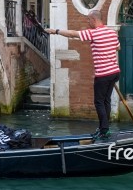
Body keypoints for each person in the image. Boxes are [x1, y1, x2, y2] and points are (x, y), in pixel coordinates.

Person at [45, 10, 120, 140]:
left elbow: (73, 34)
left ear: (94, 20)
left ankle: (104, 130)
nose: (87, 22)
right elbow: (117, 48)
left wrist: (55, 31)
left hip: (103, 74)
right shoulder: (112, 33)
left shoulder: (94, 33)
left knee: (99, 102)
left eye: (88, 20)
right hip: (114, 72)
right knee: (106, 101)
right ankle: (104, 128)